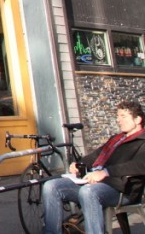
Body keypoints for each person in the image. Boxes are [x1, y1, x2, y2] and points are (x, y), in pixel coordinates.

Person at [42, 100, 145, 234]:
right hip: (95, 182)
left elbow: (140, 165)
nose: (118, 120)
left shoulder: (142, 140)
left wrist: (105, 172)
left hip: (122, 189)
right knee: (51, 186)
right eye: (118, 116)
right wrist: (79, 164)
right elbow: (97, 155)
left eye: (123, 116)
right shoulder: (117, 138)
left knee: (89, 192)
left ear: (137, 119)